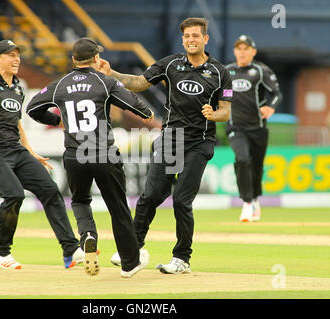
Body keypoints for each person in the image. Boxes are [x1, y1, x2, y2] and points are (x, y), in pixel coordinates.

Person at [98, 17, 232, 274]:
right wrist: (111, 73)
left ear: (205, 39)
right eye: (187, 36)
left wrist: (214, 114)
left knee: (182, 200)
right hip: (172, 139)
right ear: (183, 40)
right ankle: (132, 250)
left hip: (199, 142)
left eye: (195, 36)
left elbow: (226, 110)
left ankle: (181, 258)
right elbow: (139, 83)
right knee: (151, 196)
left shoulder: (220, 72)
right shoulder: (170, 64)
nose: (191, 40)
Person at [26, 37, 153, 278]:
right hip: (103, 153)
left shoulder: (59, 84)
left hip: (74, 156)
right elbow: (141, 109)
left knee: (80, 201)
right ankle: (129, 264)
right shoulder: (105, 82)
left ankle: (88, 236)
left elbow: (32, 108)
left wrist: (57, 121)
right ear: (96, 58)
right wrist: (144, 110)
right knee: (118, 209)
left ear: (74, 60)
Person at [0, 39, 84, 270]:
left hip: (17, 151)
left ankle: (70, 250)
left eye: (18, 55)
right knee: (14, 195)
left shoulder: (18, 88)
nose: (17, 59)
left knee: (50, 190)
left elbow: (17, 125)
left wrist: (30, 152)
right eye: (10, 55)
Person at [225, 35, 283, 222]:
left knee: (257, 167)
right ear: (234, 51)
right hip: (236, 127)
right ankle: (247, 203)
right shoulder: (227, 71)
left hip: (258, 128)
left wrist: (271, 107)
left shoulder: (261, 70)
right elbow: (219, 94)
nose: (242, 52)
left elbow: (276, 93)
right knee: (242, 159)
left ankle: (255, 198)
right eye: (239, 49)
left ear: (253, 52)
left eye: (246, 49)